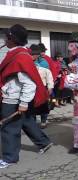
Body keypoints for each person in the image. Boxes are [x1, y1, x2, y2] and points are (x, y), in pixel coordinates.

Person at [0, 24, 52, 168]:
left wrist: (23, 103)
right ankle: (44, 143)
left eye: (7, 37)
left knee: (8, 128)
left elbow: (29, 84)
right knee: (26, 121)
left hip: (14, 99)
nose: (4, 39)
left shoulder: (20, 57)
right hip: (17, 97)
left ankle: (10, 158)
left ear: (12, 39)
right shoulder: (17, 54)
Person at [29, 44, 54, 129]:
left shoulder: (44, 63)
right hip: (31, 88)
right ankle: (33, 123)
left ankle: (43, 121)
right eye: (31, 54)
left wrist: (50, 87)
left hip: (43, 88)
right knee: (32, 107)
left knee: (43, 106)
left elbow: (49, 76)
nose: (33, 56)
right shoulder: (28, 62)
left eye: (34, 54)